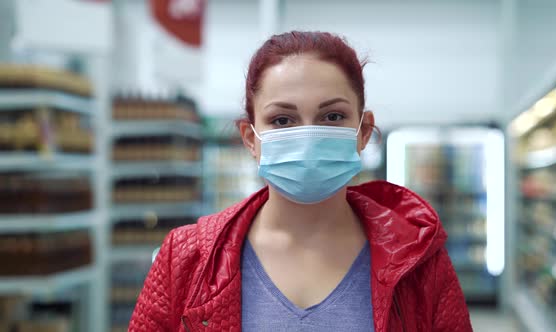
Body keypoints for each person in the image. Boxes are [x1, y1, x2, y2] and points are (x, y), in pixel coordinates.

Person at [129, 31, 473, 332]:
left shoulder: (419, 261)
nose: (307, 135)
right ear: (250, 138)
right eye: (282, 120)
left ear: (363, 132)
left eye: (332, 116)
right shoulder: (187, 259)